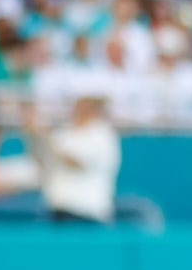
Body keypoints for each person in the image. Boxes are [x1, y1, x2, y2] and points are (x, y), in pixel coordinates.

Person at [27, 94, 122, 224]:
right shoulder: (66, 133)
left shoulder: (101, 134)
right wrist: (33, 135)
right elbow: (42, 162)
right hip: (57, 210)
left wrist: (46, 136)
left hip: (86, 213)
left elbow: (76, 162)